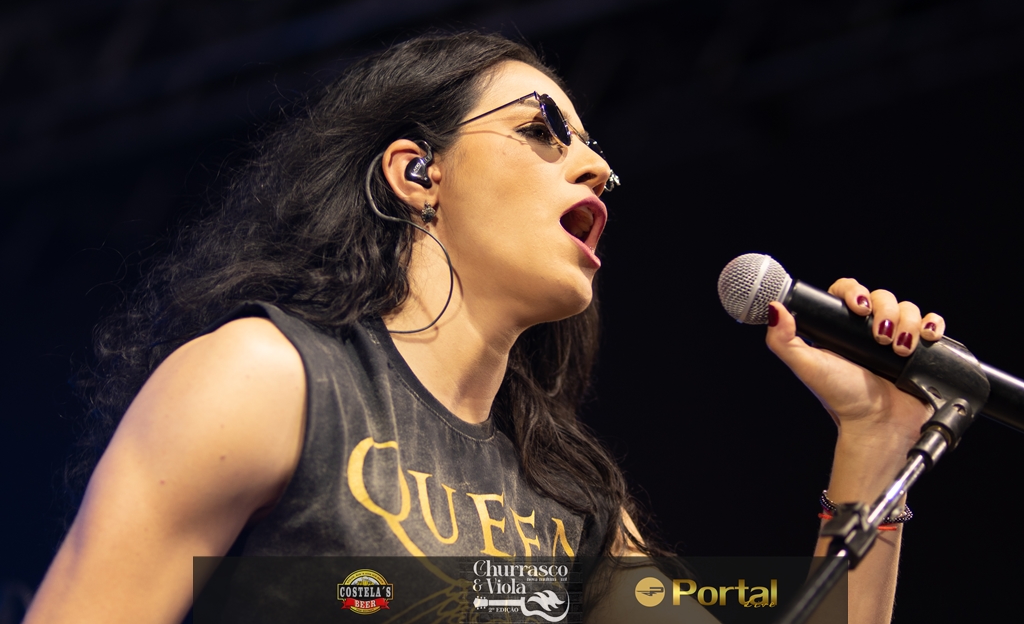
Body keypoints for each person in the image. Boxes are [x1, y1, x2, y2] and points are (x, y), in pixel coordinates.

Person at [22, 32, 939, 624]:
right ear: (417, 173)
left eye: (593, 149)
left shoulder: (568, 497)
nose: (596, 166)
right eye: (544, 131)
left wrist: (874, 437)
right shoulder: (268, 378)